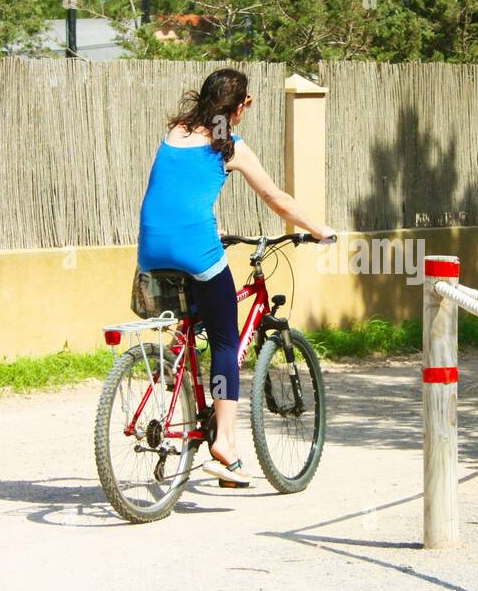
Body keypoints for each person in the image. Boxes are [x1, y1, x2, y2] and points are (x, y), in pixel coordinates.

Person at [137, 68, 334, 488]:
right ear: (239, 106)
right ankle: (225, 446)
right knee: (227, 342)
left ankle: (179, 353)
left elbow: (180, 192)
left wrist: (214, 226)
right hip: (195, 248)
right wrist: (319, 230)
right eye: (247, 102)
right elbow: (276, 198)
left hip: (151, 248)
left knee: (200, 315)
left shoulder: (175, 131)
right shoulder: (232, 147)